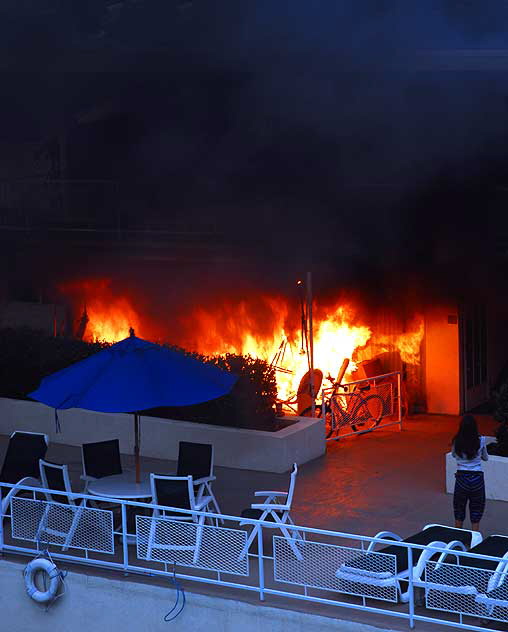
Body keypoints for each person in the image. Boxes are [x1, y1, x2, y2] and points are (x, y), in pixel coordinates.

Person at [451, 415, 488, 532]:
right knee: (476, 509)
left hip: (461, 478)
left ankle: (458, 536)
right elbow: (485, 458)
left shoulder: (456, 441)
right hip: (477, 478)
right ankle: (474, 540)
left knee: (459, 508)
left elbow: (454, 455)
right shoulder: (481, 440)